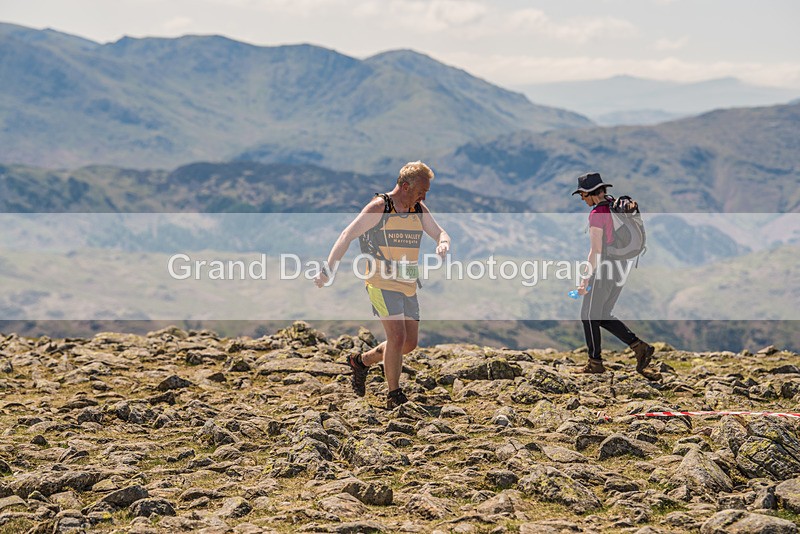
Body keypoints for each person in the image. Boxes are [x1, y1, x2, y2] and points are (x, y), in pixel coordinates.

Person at [314, 161, 450, 408]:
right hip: (380, 281)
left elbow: (440, 232)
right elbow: (347, 235)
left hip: (408, 281)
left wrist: (442, 243)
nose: (425, 196)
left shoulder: (417, 209)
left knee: (408, 343)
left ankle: (361, 361)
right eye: (422, 190)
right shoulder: (380, 207)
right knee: (397, 337)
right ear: (406, 186)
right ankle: (394, 395)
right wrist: (328, 269)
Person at [571, 172, 661, 380]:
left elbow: (595, 250)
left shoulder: (597, 214)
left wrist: (585, 279)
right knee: (602, 315)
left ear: (590, 193)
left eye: (583, 196)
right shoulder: (614, 206)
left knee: (589, 315)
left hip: (605, 268)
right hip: (621, 267)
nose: (583, 200)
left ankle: (595, 363)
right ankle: (639, 347)